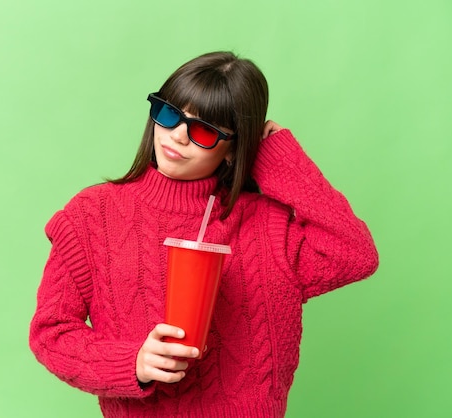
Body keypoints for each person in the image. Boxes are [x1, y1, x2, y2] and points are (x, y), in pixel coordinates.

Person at [29, 51, 379, 418]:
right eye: (169, 113)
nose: (177, 136)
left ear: (233, 150)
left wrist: (278, 155)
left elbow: (354, 254)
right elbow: (51, 333)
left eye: (204, 131)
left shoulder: (267, 225)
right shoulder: (91, 215)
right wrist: (134, 362)